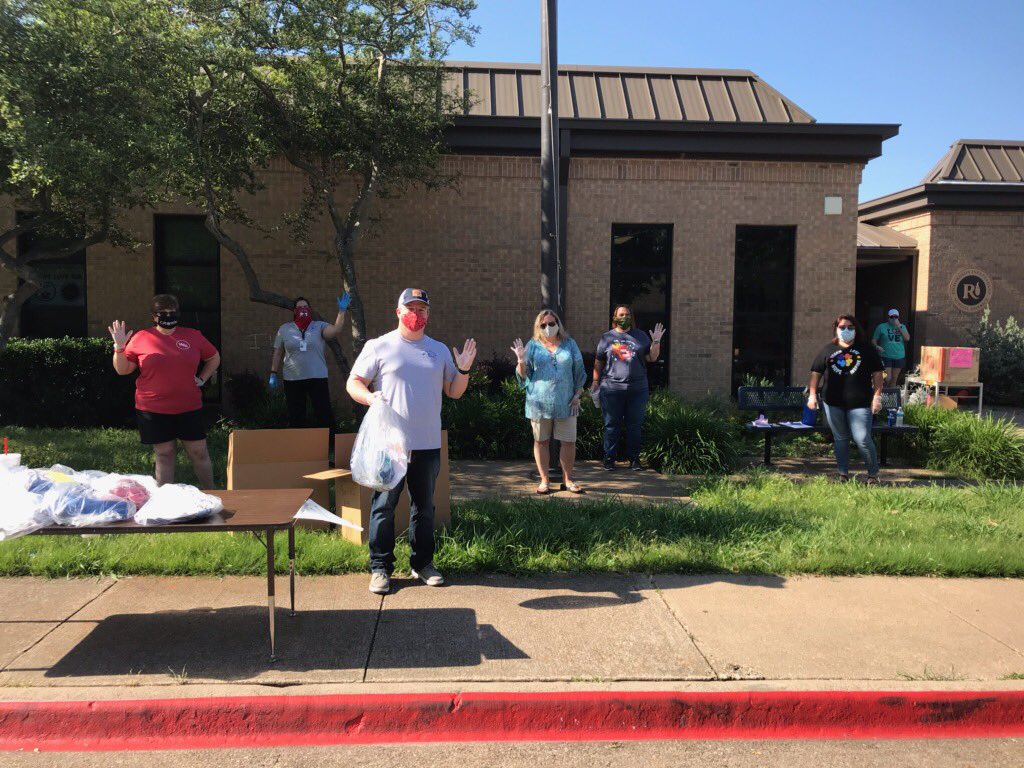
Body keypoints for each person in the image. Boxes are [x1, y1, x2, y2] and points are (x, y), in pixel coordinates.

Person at [346, 288, 477, 595]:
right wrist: (369, 397)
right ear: (398, 312)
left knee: (424, 508)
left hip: (428, 443)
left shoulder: (439, 350)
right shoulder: (380, 346)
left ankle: (423, 564)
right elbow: (354, 382)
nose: (417, 314)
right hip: (391, 444)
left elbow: (454, 391)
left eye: (423, 309)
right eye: (412, 308)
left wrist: (465, 368)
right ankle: (380, 568)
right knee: (383, 507)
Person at [108, 294, 220, 489]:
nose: (169, 316)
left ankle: (212, 494)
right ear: (154, 316)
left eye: (173, 312)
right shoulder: (141, 338)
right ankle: (163, 502)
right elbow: (123, 370)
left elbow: (213, 357)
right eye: (163, 313)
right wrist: (119, 348)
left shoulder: (193, 335)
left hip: (188, 406)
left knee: (199, 453)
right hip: (153, 408)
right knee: (165, 454)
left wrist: (202, 378)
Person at [512, 309, 587, 495]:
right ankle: (544, 481)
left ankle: (567, 480)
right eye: (543, 325)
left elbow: (579, 371)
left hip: (567, 402)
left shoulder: (570, 344)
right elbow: (523, 375)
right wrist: (521, 361)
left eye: (551, 324)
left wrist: (578, 395)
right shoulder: (533, 346)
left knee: (569, 442)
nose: (548, 328)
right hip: (538, 403)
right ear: (538, 327)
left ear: (558, 324)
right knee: (541, 441)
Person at [808, 314, 885, 484]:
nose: (846, 330)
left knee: (862, 438)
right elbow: (816, 374)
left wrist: (877, 397)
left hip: (861, 403)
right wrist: (812, 395)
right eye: (842, 327)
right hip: (833, 402)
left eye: (850, 327)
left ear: (856, 329)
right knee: (841, 439)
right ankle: (843, 474)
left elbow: (878, 374)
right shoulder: (828, 350)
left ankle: (872, 475)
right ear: (836, 329)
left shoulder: (866, 349)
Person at [590, 305, 666, 471]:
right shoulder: (606, 338)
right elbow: (599, 361)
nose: (624, 317)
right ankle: (609, 458)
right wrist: (595, 381)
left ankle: (634, 460)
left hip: (637, 388)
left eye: (627, 314)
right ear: (615, 317)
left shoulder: (641, 336)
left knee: (634, 426)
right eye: (621, 314)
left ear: (632, 317)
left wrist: (656, 342)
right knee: (611, 425)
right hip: (611, 388)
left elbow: (652, 357)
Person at [269, 293, 350, 430]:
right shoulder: (285, 329)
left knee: (323, 413)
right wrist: (273, 372)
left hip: (317, 377)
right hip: (293, 379)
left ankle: (329, 445)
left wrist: (341, 311)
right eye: (299, 307)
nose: (303, 310)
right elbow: (278, 352)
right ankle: (299, 446)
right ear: (295, 311)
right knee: (296, 415)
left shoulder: (319, 326)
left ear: (310, 309)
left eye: (305, 307)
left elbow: (335, 330)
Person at [871, 308, 910, 385]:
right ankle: (883, 393)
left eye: (896, 317)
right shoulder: (881, 327)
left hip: (899, 355)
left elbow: (907, 338)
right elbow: (874, 339)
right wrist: (876, 346)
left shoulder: (902, 326)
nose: (894, 319)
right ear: (888, 317)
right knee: (887, 378)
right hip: (885, 355)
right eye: (892, 317)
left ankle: (891, 396)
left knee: (894, 378)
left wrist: (899, 326)